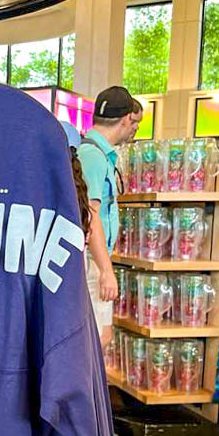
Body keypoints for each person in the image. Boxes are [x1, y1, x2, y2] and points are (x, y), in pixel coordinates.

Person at [77, 87, 143, 347]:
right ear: (126, 119)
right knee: (97, 338)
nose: (135, 128)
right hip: (92, 258)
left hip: (95, 257)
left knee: (102, 335)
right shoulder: (93, 156)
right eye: (135, 122)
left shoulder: (95, 153)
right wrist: (106, 270)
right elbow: (91, 215)